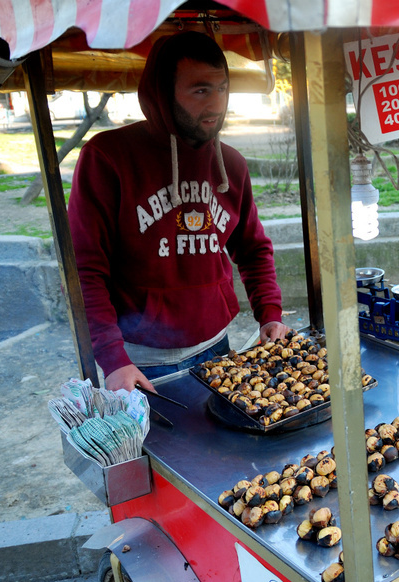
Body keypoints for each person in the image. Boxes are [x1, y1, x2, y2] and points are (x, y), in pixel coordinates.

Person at [68, 31, 288, 393]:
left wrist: (270, 315)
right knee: (160, 451)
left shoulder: (231, 164)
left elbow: (252, 247)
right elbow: (85, 269)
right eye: (201, 90)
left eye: (222, 88)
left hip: (216, 347)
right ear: (162, 93)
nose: (217, 104)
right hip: (139, 361)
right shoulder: (107, 157)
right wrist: (112, 358)